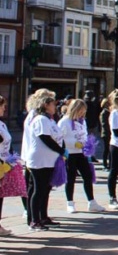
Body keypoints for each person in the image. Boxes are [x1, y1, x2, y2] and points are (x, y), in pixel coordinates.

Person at [58, 99, 104, 213]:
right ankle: (70, 202)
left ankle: (91, 202)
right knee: (70, 178)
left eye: (84, 111)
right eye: (81, 111)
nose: (82, 113)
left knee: (88, 176)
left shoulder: (82, 121)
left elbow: (85, 134)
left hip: (82, 153)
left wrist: (87, 144)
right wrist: (73, 144)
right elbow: (59, 138)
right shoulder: (64, 121)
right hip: (70, 154)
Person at [27, 94, 65, 230]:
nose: (55, 106)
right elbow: (45, 138)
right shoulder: (41, 119)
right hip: (40, 160)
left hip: (50, 160)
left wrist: (62, 151)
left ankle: (44, 216)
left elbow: (59, 136)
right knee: (39, 189)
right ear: (45, 105)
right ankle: (34, 220)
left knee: (46, 189)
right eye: (53, 104)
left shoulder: (51, 120)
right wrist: (61, 150)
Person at [0, 95, 27, 236]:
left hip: (4, 164)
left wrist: (11, 160)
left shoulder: (2, 124)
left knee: (0, 195)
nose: (4, 108)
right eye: (2, 106)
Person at [99, 98, 111, 171]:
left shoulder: (109, 112)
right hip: (106, 133)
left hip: (109, 133)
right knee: (106, 149)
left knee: (109, 150)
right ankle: (105, 164)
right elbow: (104, 124)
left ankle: (109, 163)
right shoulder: (104, 113)